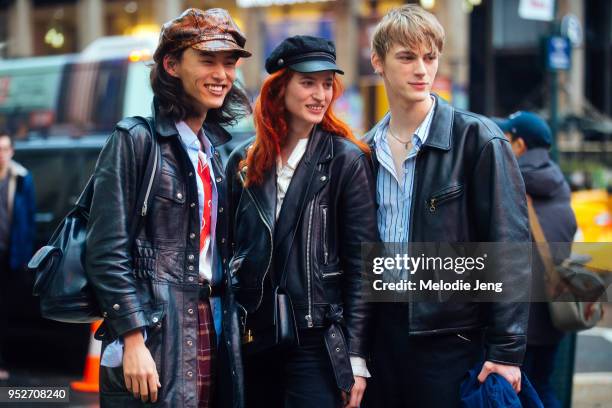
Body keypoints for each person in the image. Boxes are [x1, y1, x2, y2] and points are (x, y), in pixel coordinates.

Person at [363, 5, 531, 408]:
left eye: (429, 57)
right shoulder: (363, 150)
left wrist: (506, 352)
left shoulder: (478, 139)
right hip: (380, 338)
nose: (421, 69)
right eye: (407, 57)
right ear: (378, 63)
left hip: (451, 339)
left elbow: (509, 246)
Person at [85, 8, 251, 407]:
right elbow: (106, 251)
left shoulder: (214, 153)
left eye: (228, 63)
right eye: (207, 60)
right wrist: (132, 339)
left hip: (209, 324)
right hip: (153, 336)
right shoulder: (135, 140)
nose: (222, 74)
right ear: (171, 65)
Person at [226, 35, 378, 408]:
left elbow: (364, 265)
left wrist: (356, 359)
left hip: (316, 338)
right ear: (280, 88)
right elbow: (230, 247)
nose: (320, 94)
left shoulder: (345, 160)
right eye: (308, 82)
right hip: (254, 336)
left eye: (327, 84)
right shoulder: (244, 161)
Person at [495, 111, 577, 408]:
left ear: (519, 146)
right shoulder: (560, 187)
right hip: (556, 314)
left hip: (518, 322)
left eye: (506, 137)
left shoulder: (510, 184)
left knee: (515, 392)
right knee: (542, 385)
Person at [0, 130, 36, 381]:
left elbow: (28, 222)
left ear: (11, 151)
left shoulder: (22, 178)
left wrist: (24, 257)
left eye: (4, 149)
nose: (0, 154)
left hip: (8, 256)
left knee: (4, 311)